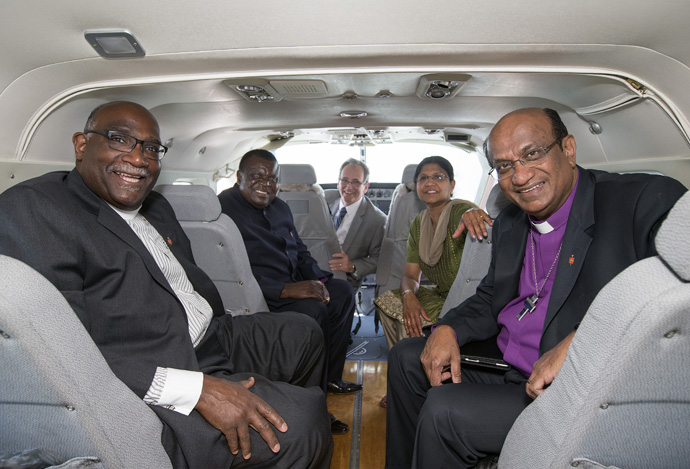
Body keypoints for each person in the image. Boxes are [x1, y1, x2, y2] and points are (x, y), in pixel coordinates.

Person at [0, 101, 333, 469]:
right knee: (303, 424)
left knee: (304, 332)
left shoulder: (156, 206)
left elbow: (186, 282)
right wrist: (199, 388)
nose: (139, 158)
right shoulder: (35, 209)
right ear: (82, 145)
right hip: (154, 365)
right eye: (120, 139)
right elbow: (63, 350)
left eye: (150, 148)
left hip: (210, 335)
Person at [385, 107, 687, 468]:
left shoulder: (641, 200)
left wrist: (582, 340)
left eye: (532, 154)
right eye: (505, 166)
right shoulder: (512, 222)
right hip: (507, 363)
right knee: (406, 357)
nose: (521, 175)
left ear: (569, 149)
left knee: (443, 411)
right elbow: (489, 298)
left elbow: (672, 295)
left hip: (569, 390)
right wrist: (448, 327)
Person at [218, 149, 359, 434]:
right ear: (239, 177)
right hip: (261, 294)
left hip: (291, 283)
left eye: (272, 178)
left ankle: (330, 377)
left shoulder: (280, 206)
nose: (265, 184)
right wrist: (286, 290)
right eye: (257, 176)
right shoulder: (223, 212)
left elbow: (300, 251)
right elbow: (230, 272)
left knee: (342, 292)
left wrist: (319, 282)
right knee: (315, 311)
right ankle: (312, 406)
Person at [373, 156, 488, 408]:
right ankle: (404, 379)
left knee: (415, 319)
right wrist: (409, 296)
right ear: (417, 186)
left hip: (470, 299)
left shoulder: (461, 211)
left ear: (452, 184)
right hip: (441, 292)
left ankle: (427, 387)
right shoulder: (418, 224)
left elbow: (474, 214)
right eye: (423, 178)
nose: (430, 182)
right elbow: (410, 276)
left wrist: (472, 212)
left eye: (438, 177)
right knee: (389, 301)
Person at [325, 158, 387, 289]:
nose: (348, 187)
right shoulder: (322, 200)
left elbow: (379, 259)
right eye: (345, 180)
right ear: (338, 182)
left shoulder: (378, 220)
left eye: (356, 182)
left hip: (343, 279)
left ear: (366, 187)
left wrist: (352, 265)